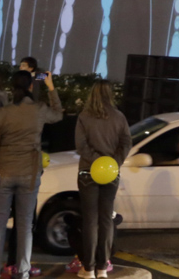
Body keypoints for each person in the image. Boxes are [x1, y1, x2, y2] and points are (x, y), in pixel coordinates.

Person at [0, 70, 61, 279]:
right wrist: (51, 88)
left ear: (12, 88)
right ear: (31, 86)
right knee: (25, 225)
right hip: (29, 175)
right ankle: (22, 272)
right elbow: (58, 114)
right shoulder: (39, 110)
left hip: (3, 173)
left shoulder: (2, 113)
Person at [75, 82, 130, 279]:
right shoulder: (119, 117)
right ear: (110, 94)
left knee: (90, 220)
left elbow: (80, 145)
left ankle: (88, 269)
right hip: (111, 173)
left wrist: (95, 160)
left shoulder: (84, 117)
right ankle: (102, 268)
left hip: (88, 172)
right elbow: (126, 142)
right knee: (106, 219)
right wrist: (113, 162)